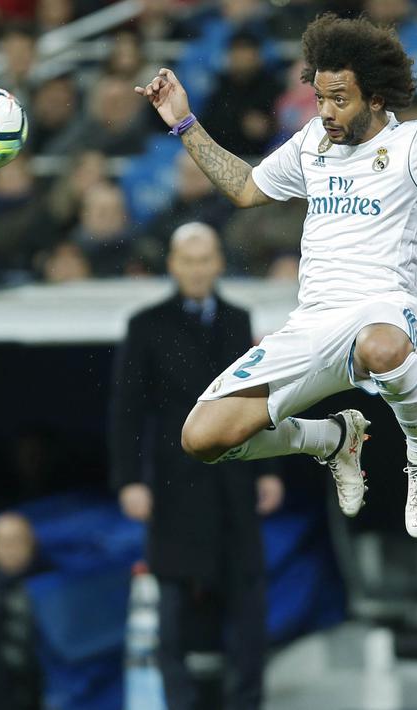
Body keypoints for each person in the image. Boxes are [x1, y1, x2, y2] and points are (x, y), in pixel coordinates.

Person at [135, 13, 417, 537]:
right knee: (202, 439)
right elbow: (246, 188)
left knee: (381, 349)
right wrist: (183, 122)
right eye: (320, 98)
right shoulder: (313, 140)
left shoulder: (416, 146)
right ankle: (331, 439)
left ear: (376, 97)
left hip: (383, 309)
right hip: (312, 323)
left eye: (341, 99)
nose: (327, 112)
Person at [109, 223, 280, 710]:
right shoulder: (147, 325)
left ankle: (246, 702)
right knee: (172, 613)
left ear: (218, 264)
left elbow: (259, 399)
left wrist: (270, 469)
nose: (198, 269)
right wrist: (128, 480)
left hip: (233, 482)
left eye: (206, 259)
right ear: (173, 264)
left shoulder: (237, 320)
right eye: (189, 260)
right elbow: (127, 410)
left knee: (249, 606)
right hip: (174, 484)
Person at [0, 512, 45, 710]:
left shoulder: (55, 587)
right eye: (2, 541)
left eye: (17, 540)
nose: (9, 548)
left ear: (33, 542)